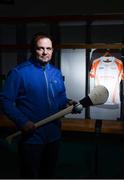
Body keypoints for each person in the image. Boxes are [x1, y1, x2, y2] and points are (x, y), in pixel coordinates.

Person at [1, 32, 81, 178]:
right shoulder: (19, 73)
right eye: (40, 48)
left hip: (53, 137)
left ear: (52, 50)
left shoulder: (56, 73)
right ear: (33, 50)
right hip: (32, 138)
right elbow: (5, 100)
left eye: (48, 48)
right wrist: (22, 121)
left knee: (49, 175)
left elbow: (60, 100)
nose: (45, 52)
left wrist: (69, 104)